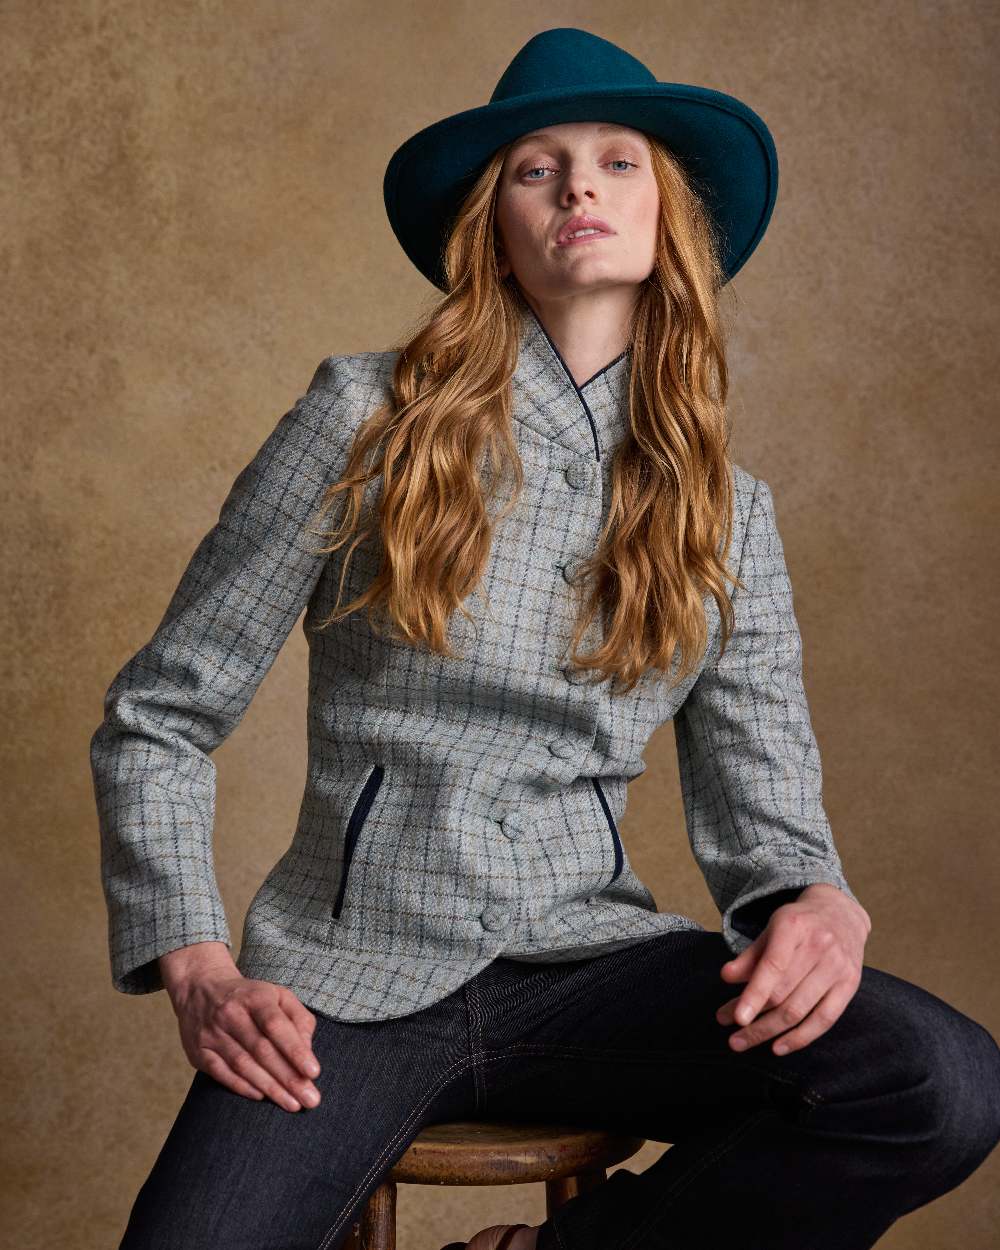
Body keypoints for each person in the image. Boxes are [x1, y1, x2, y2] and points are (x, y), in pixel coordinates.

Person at [90, 27, 1000, 1250]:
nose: (579, 189)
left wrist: (817, 899)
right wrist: (198, 964)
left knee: (941, 1082)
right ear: (495, 227)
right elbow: (160, 715)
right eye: (538, 168)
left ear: (667, 218)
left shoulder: (729, 509)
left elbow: (765, 799)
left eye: (618, 162)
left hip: (591, 968)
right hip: (347, 979)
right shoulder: (360, 417)